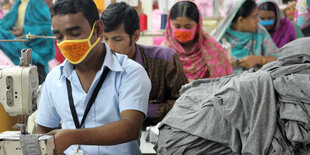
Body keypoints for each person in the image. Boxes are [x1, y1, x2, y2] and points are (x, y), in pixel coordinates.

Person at [35, 0, 151, 154]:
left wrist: (72, 137)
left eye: (75, 33)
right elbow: (43, 129)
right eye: (59, 37)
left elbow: (130, 127)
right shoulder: (54, 79)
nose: (66, 42)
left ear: (98, 29)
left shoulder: (130, 73)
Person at [101, 2, 188, 127]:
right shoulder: (98, 65)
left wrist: (142, 109)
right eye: (105, 39)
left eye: (117, 39)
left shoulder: (165, 60)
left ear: (135, 36)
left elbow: (185, 103)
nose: (110, 47)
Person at [161, 1, 233, 81]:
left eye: (188, 27)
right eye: (177, 26)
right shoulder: (164, 52)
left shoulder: (213, 49)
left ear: (198, 26)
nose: (182, 30)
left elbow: (224, 82)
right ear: (170, 24)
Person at [212, 0, 278, 73]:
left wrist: (260, 59)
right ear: (241, 20)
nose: (258, 21)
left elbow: (279, 59)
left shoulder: (259, 32)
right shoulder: (219, 37)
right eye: (254, 17)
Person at [0, 0, 55, 84]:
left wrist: (23, 31)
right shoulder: (18, 4)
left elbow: (45, 27)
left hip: (36, 50)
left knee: (38, 83)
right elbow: (5, 25)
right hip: (21, 47)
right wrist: (12, 33)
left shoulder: (37, 3)